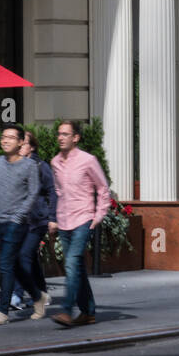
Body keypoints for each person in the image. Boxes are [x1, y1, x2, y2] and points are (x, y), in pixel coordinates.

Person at [50, 120, 110, 328]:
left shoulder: (88, 160)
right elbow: (58, 191)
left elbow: (102, 188)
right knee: (77, 268)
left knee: (72, 263)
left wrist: (99, 215)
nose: (60, 137)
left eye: (65, 134)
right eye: (59, 134)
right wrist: (54, 218)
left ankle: (67, 310)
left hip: (84, 219)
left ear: (75, 138)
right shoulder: (55, 162)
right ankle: (88, 312)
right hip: (64, 220)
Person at [0, 123, 40, 324]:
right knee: (15, 265)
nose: (5, 140)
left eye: (10, 137)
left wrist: (19, 216)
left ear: (20, 142)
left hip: (17, 222)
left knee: (5, 264)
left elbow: (33, 193)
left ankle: (2, 311)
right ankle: (38, 296)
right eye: (3, 137)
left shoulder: (29, 166)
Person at [19, 130, 56, 319]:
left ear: (32, 147)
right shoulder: (16, 165)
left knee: (23, 256)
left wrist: (52, 217)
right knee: (30, 258)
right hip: (21, 219)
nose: (20, 146)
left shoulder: (41, 166)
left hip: (37, 219)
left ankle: (19, 295)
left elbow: (52, 191)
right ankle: (42, 292)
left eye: (24, 143)